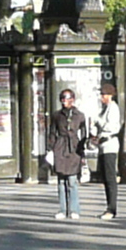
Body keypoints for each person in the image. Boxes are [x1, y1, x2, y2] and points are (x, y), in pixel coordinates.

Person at [44, 85, 90, 220]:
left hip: (74, 148)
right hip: (60, 147)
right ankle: (63, 209)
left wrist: (82, 151)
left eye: (67, 98)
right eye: (62, 98)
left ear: (73, 99)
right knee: (61, 181)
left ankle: (74, 209)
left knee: (72, 180)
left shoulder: (80, 116)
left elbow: (84, 134)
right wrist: (50, 148)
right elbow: (52, 132)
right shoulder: (57, 115)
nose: (65, 100)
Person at [91, 81, 126, 219]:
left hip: (110, 144)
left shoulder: (113, 108)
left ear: (109, 95)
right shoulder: (104, 109)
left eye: (104, 95)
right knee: (105, 178)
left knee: (110, 178)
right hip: (103, 146)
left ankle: (112, 209)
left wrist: (98, 121)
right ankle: (108, 206)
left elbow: (111, 127)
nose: (101, 97)